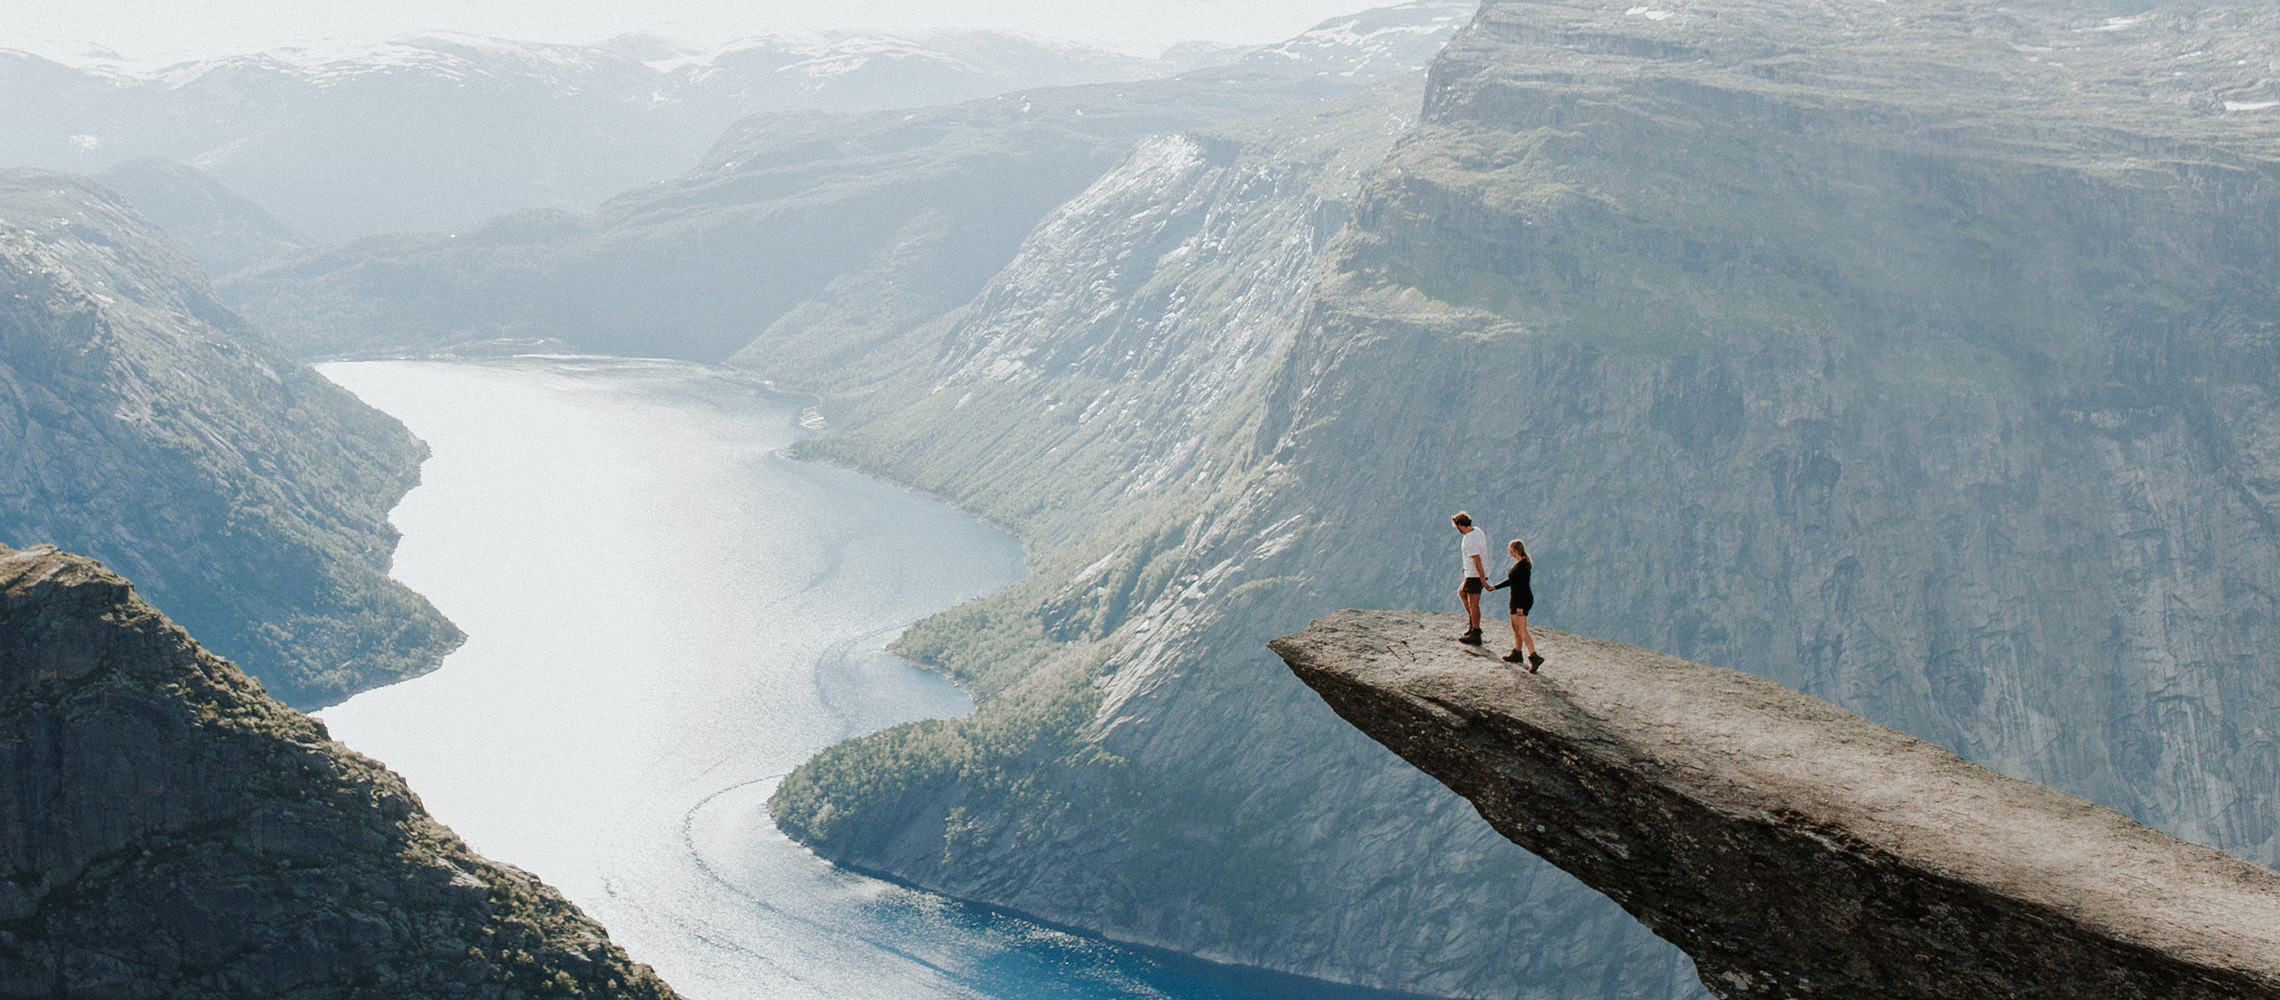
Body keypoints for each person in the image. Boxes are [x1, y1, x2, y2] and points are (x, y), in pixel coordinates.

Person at [1485, 538, 1544, 671]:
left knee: (1522, 630)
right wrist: (1495, 587)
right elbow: (1512, 581)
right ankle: (1517, 653)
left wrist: (1521, 606)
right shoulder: (1521, 564)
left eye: (1509, 549)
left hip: (1520, 601)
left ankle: (1534, 657)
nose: (1508, 551)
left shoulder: (1522, 567)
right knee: (1515, 628)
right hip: (1516, 599)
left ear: (1514, 550)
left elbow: (1522, 587)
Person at [1451, 512, 1490, 644]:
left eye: (1457, 527)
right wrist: (1465, 566)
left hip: (1475, 575)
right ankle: (1472, 623)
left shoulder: (1468, 540)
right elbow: (1476, 555)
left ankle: (1476, 632)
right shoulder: (1478, 531)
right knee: (1462, 593)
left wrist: (1482, 579)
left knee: (1473, 604)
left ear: (1460, 525)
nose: (1457, 530)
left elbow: (1477, 559)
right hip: (1472, 572)